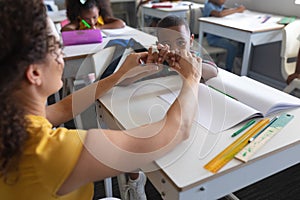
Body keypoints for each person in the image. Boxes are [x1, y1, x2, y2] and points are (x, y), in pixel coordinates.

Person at [0, 1, 202, 200]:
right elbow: (177, 129)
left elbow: (60, 109)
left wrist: (119, 75)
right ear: (34, 73)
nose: (62, 56)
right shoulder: (50, 153)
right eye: (55, 49)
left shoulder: (13, 119)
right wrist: (192, 78)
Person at [156, 15, 218, 82]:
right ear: (158, 46)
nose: (174, 49)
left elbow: (213, 71)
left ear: (191, 41)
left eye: (180, 43)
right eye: (167, 44)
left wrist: (190, 65)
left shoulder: (193, 57)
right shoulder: (158, 60)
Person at [202, 0, 245, 72]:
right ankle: (229, 70)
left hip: (221, 35)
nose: (224, 1)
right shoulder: (208, 5)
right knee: (232, 47)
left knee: (240, 43)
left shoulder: (218, 5)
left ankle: (236, 66)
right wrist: (236, 10)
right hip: (213, 39)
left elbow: (224, 10)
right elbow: (219, 14)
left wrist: (235, 9)